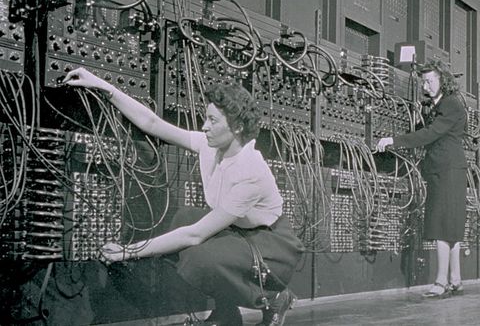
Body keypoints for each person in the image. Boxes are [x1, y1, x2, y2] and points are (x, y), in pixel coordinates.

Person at [62, 67, 304, 326]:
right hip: (241, 232)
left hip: (271, 244)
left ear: (237, 127)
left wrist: (127, 251)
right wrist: (102, 86)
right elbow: (153, 124)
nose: (204, 126)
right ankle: (226, 313)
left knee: (201, 258)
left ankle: (275, 296)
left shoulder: (250, 171)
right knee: (185, 217)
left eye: (213, 121)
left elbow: (195, 235)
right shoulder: (211, 146)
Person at [376, 60, 467, 298]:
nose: (425, 86)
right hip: (445, 169)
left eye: (430, 80)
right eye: (423, 81)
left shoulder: (451, 104)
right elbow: (424, 128)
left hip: (447, 169)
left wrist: (394, 141)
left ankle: (440, 282)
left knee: (441, 224)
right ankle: (455, 279)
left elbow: (430, 134)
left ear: (443, 81)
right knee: (451, 225)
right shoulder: (439, 106)